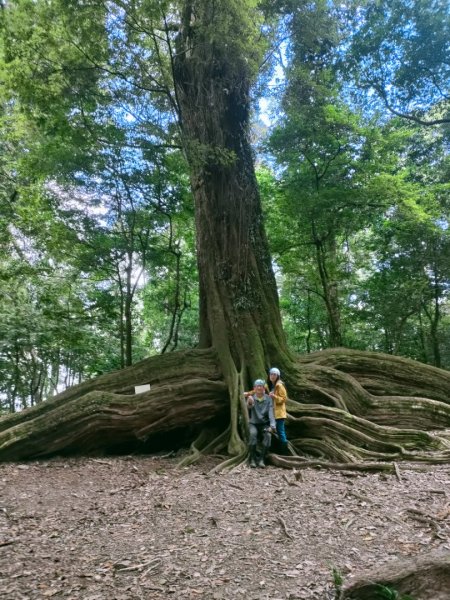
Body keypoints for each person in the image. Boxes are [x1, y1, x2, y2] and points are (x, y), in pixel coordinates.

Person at [246, 379, 276, 468]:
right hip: (253, 423)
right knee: (252, 434)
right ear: (254, 388)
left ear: (264, 388)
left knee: (268, 436)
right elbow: (249, 406)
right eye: (257, 386)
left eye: (261, 386)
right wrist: (250, 402)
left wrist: (272, 425)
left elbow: (271, 412)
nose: (259, 388)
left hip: (264, 424)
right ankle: (252, 459)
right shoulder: (251, 397)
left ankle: (261, 459)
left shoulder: (268, 399)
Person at [268, 367, 289, 455]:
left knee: (280, 431)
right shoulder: (273, 385)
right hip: (274, 412)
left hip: (279, 413)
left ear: (278, 376)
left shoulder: (279, 385)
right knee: (276, 430)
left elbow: (284, 399)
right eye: (271, 374)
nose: (272, 376)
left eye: (274, 374)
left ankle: (284, 453)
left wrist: (274, 397)